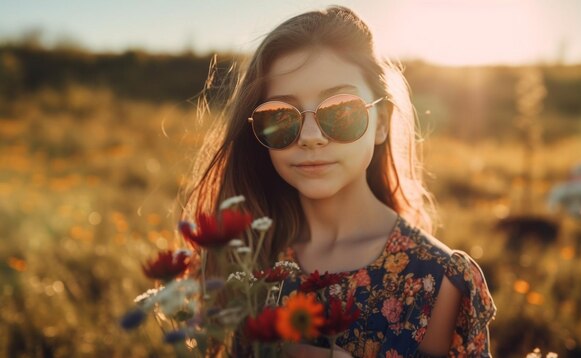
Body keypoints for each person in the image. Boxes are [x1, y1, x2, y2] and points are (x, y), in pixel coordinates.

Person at [184, 5, 496, 357]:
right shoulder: (249, 259)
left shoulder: (436, 280)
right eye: (280, 117)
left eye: (341, 112)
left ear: (381, 122)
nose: (311, 136)